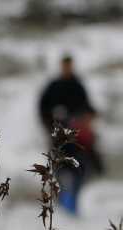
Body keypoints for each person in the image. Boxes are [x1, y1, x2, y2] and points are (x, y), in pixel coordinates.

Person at [38, 55, 103, 214]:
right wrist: (50, 125)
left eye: (69, 65)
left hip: (77, 137)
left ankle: (74, 198)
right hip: (58, 137)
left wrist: (87, 118)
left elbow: (88, 107)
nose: (67, 68)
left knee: (81, 167)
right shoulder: (54, 86)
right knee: (58, 168)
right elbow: (42, 108)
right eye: (65, 65)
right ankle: (61, 199)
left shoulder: (78, 85)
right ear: (61, 66)